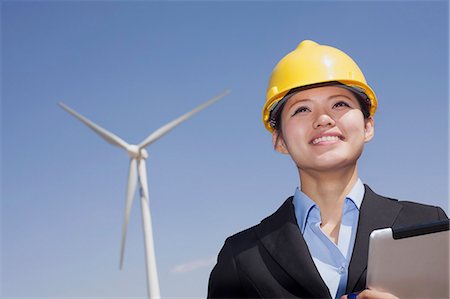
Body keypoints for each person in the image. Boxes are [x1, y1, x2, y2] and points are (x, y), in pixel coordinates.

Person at [207, 40, 448, 299]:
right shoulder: (241, 257)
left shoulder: (429, 226)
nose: (323, 119)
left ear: (368, 126)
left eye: (340, 104)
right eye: (302, 109)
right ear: (279, 140)